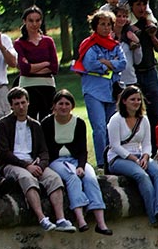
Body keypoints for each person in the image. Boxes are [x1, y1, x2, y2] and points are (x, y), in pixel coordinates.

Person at [0, 87, 70, 230]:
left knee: (54, 178)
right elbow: (5, 153)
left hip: (33, 162)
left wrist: (41, 166)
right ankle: (42, 218)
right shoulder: (3, 124)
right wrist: (26, 166)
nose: (21, 107)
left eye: (23, 103)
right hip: (13, 163)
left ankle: (61, 219)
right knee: (27, 178)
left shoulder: (35, 125)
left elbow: (44, 151)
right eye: (17, 104)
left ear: (28, 103)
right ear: (11, 106)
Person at [104, 87, 158, 227]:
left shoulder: (143, 119)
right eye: (132, 99)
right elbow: (115, 145)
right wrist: (134, 159)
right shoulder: (116, 120)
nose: (136, 102)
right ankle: (153, 216)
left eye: (138, 99)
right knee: (142, 176)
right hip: (119, 158)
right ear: (124, 101)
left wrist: (145, 156)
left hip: (140, 155)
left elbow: (147, 143)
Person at [42, 92, 111, 234]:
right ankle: (80, 219)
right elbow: (45, 149)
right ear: (54, 106)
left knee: (90, 178)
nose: (64, 107)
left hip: (76, 160)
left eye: (67, 104)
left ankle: (101, 222)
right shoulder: (47, 123)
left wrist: (80, 166)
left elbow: (83, 150)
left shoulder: (79, 123)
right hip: (57, 161)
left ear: (72, 106)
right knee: (72, 178)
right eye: (60, 104)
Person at [76, 9, 129, 167]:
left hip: (112, 92)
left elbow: (123, 63)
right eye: (102, 24)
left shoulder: (115, 45)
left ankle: (113, 159)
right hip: (94, 91)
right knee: (99, 127)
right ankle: (101, 162)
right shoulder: (89, 45)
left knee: (112, 127)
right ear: (95, 26)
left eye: (109, 25)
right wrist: (111, 64)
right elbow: (90, 64)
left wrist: (105, 62)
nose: (106, 27)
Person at [13, 6, 60, 121]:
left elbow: (54, 67)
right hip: (28, 86)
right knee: (30, 119)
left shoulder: (48, 41)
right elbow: (24, 69)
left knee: (48, 119)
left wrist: (32, 68)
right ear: (24, 21)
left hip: (47, 86)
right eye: (31, 20)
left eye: (37, 20)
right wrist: (45, 63)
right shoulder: (19, 43)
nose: (34, 24)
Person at [124, 0, 158, 110]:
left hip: (150, 71)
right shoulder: (126, 25)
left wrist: (152, 36)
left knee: (155, 108)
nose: (142, 8)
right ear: (131, 6)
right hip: (133, 73)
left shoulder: (151, 23)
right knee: (134, 110)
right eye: (138, 4)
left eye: (144, 4)